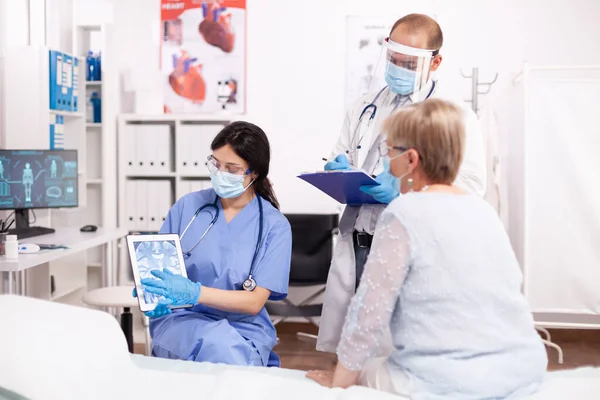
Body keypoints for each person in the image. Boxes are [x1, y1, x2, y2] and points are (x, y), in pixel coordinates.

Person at [307, 99, 547, 398]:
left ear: (411, 160)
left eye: (388, 151)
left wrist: (339, 382)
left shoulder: (404, 213)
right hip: (523, 367)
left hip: (450, 378)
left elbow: (368, 316)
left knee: (365, 370)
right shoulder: (483, 212)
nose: (384, 161)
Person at [317, 13, 488, 354]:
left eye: (408, 63)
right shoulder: (364, 106)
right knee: (351, 346)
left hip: (411, 244)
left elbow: (471, 185)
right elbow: (340, 154)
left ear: (435, 62)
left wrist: (404, 189)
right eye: (393, 59)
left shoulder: (454, 116)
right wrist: (339, 169)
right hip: (359, 239)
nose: (397, 68)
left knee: (396, 351)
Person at [135, 121, 292, 367]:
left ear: (255, 172)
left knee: (228, 351)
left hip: (245, 327)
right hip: (183, 319)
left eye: (232, 168)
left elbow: (253, 302)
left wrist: (195, 292)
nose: (220, 173)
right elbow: (157, 269)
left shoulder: (274, 226)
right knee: (223, 349)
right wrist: (151, 293)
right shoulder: (188, 207)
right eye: (216, 164)